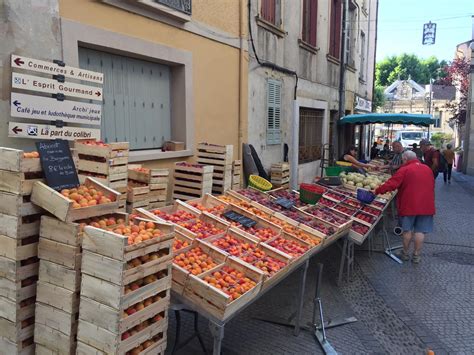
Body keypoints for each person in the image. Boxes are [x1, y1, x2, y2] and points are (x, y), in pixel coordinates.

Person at [375, 150, 435, 263]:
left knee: (407, 231)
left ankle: (405, 253)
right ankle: (416, 255)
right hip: (426, 205)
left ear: (405, 159)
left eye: (403, 160)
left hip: (409, 204)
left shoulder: (405, 169)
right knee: (420, 231)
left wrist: (377, 191)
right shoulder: (427, 169)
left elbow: (392, 184)